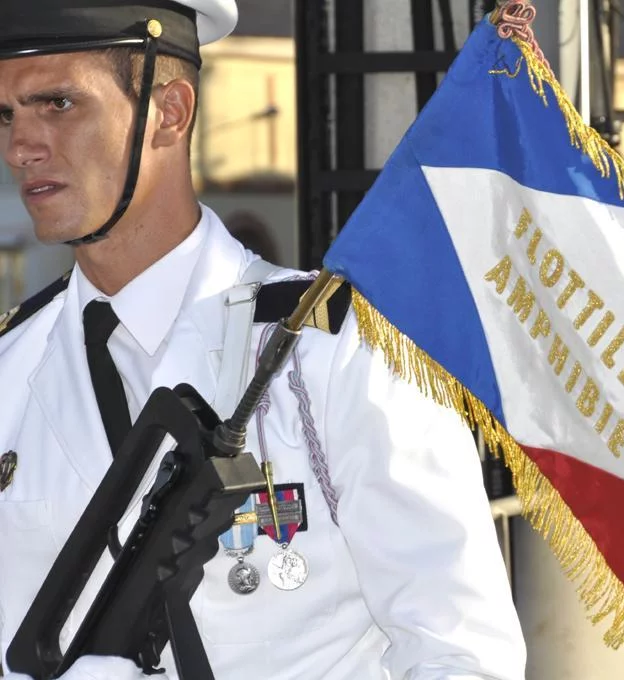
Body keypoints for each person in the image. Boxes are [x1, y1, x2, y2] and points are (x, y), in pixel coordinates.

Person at [0, 1, 526, 678]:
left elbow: (461, 653)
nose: (21, 147)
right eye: (8, 115)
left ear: (170, 111)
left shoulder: (335, 353)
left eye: (59, 104)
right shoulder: (12, 371)